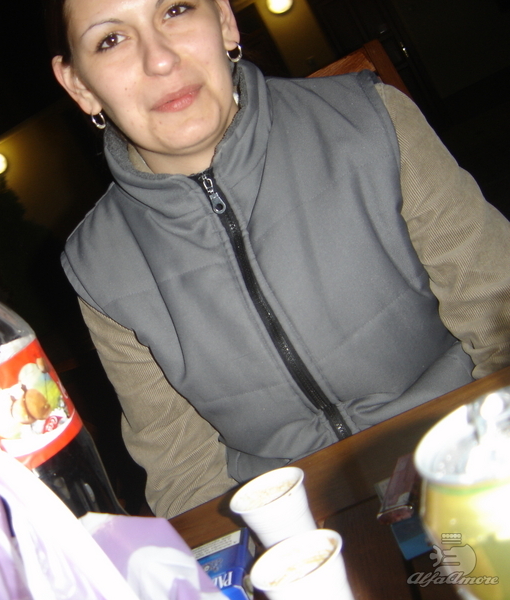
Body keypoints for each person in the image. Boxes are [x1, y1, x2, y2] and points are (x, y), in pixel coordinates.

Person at [44, 0, 510, 518]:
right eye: (110, 40)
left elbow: (501, 321)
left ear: (224, 20)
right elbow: (183, 471)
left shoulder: (371, 122)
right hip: (293, 525)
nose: (160, 59)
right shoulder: (97, 267)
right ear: (80, 86)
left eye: (176, 9)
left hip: (468, 464)